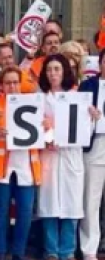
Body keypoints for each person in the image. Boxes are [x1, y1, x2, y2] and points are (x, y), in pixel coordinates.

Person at [37, 54, 100, 260]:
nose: (52, 73)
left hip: (71, 158)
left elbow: (85, 133)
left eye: (56, 69)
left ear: (64, 71)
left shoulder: (78, 97)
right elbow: (33, 129)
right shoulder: (40, 98)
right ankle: (51, 250)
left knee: (71, 206)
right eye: (49, 69)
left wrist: (91, 117)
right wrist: (46, 132)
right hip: (49, 157)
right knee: (49, 206)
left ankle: (67, 251)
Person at [0, 65, 42, 260]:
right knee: (0, 210)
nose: (12, 86)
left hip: (26, 163)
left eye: (15, 82)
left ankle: (18, 252)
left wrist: (46, 125)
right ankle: (0, 250)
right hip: (2, 165)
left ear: (21, 84)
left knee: (25, 211)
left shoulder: (32, 103)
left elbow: (45, 128)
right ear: (1, 85)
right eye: (7, 83)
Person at [79, 48, 105, 260]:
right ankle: (89, 248)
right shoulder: (87, 86)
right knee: (91, 200)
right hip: (95, 144)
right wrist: (88, 115)